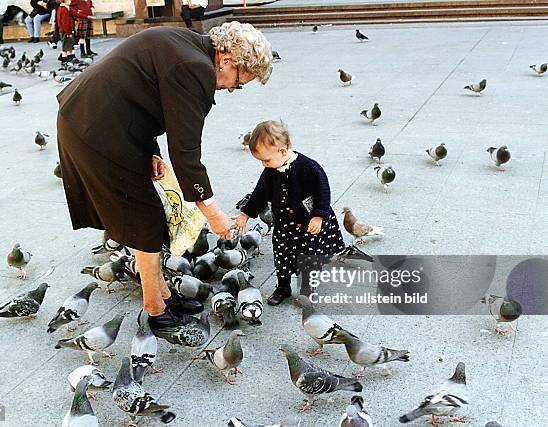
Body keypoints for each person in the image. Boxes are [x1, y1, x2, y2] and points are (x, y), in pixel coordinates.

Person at [56, 22, 272, 332]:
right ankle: (155, 310)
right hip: (96, 130)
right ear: (226, 59)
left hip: (95, 118)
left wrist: (150, 150)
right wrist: (213, 213)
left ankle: (164, 294)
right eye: (238, 82)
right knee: (143, 218)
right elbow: (185, 151)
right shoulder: (196, 67)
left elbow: (141, 94)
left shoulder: (187, 43)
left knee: (148, 216)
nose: (230, 88)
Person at [234, 120, 347, 306]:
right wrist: (245, 214)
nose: (264, 164)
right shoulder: (270, 171)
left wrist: (319, 215)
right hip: (284, 225)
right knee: (282, 257)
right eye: (261, 161)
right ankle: (283, 287)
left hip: (307, 225)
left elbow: (323, 191)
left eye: (266, 160)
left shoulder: (308, 168)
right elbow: (259, 194)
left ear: (283, 151)